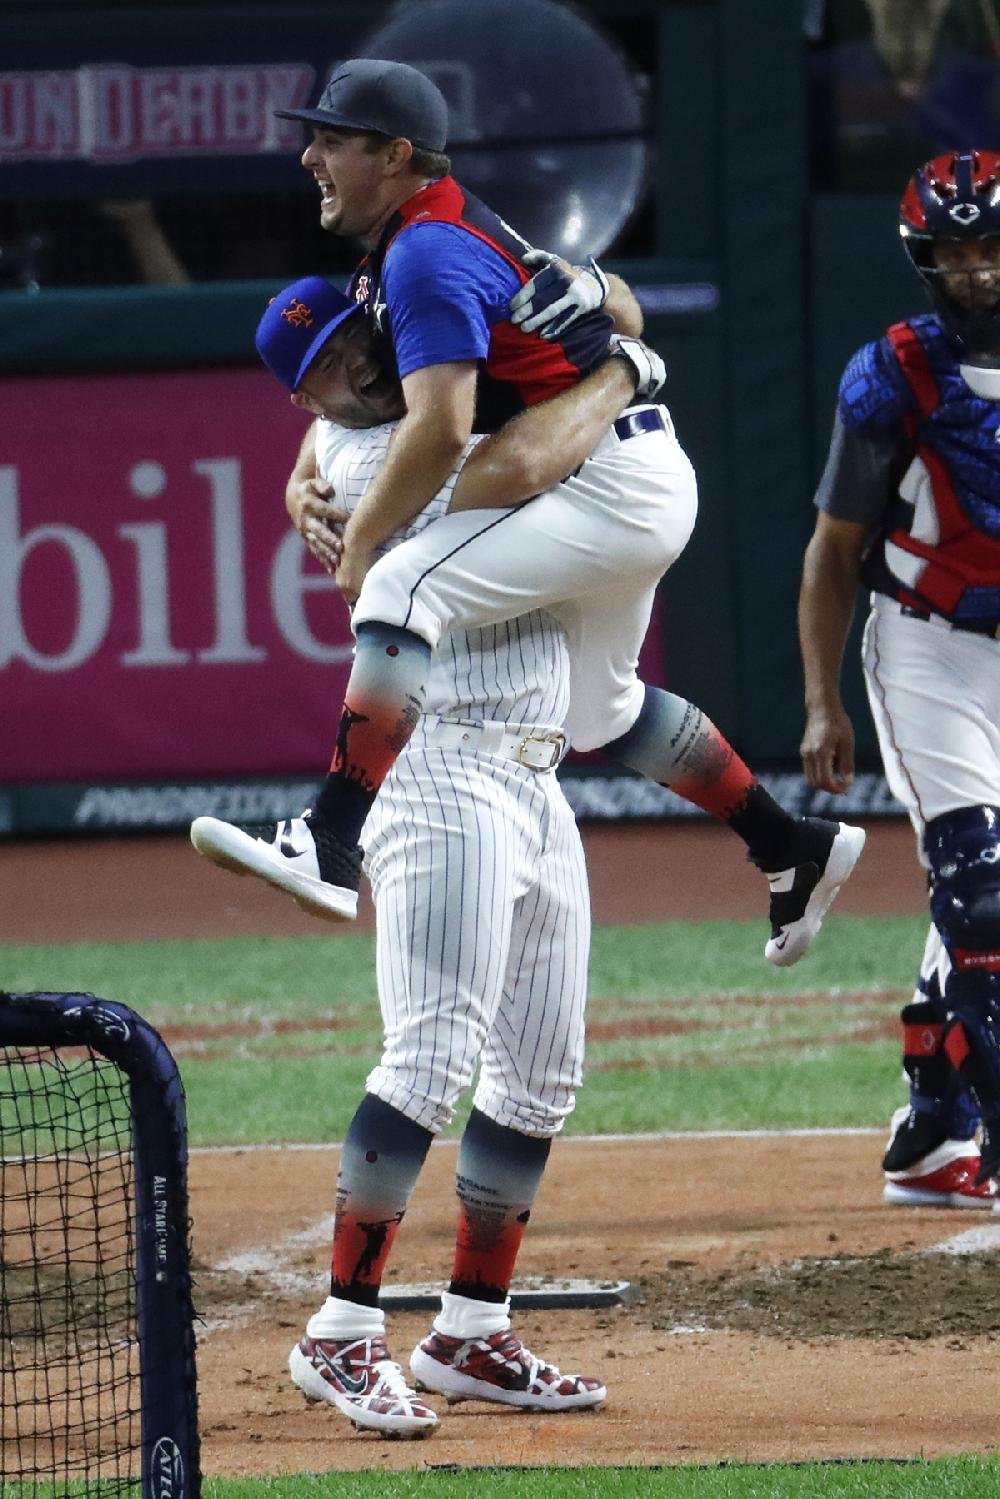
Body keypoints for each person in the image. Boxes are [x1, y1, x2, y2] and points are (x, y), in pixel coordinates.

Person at [191, 60, 865, 969]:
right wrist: (295, 474)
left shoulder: (424, 253)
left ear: (395, 155)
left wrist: (361, 544)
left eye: (333, 140)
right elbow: (364, 392)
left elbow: (439, 431)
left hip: (609, 477)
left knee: (398, 584)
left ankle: (330, 838)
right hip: (633, 467)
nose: (310, 154)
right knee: (604, 707)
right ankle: (788, 844)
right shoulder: (417, 237)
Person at [218, 281, 656, 1438]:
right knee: (428, 1057)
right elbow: (511, 457)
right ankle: (341, 1331)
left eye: (356, 337)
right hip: (443, 764)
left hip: (534, 768)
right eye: (325, 364)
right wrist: (625, 369)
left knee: (538, 1073)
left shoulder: (378, 418)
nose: (355, 364)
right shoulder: (375, 465)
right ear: (304, 393)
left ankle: (471, 1325)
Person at [798, 148, 1000, 1207]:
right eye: (950, 252)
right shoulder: (892, 372)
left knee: (983, 906)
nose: (972, 271)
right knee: (977, 887)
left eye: (988, 247)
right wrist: (821, 697)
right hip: (926, 641)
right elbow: (833, 549)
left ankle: (930, 1124)